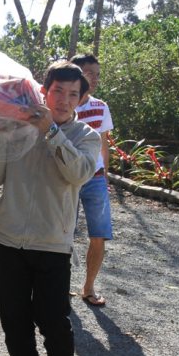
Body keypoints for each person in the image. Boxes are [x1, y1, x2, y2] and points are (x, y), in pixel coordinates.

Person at [0, 62, 101, 356]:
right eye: (57, 91)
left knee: (53, 321)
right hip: (8, 241)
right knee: (14, 326)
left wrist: (51, 132)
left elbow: (78, 173)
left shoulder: (86, 136)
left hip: (52, 245)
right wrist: (1, 132)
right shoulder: (18, 129)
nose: (64, 100)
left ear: (81, 99)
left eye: (72, 94)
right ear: (43, 91)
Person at [70, 53, 114, 306]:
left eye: (97, 74)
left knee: (99, 234)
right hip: (69, 177)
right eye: (89, 73)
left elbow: (104, 144)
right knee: (64, 231)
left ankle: (89, 287)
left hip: (95, 178)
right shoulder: (64, 105)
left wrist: (105, 177)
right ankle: (60, 283)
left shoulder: (101, 106)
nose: (94, 79)